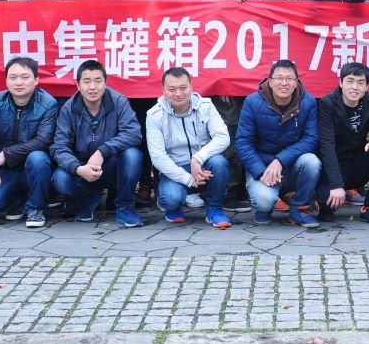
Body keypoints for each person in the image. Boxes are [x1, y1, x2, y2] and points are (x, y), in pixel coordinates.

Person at [50, 60, 145, 227]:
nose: (92, 87)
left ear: (106, 83)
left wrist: (103, 151)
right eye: (87, 81)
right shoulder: (68, 109)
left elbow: (133, 133)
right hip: (82, 167)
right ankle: (88, 199)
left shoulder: (118, 101)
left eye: (98, 81)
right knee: (60, 178)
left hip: (111, 165)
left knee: (132, 155)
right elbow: (59, 147)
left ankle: (125, 207)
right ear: (78, 85)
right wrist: (78, 168)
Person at [0, 57, 58, 228]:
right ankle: (18, 203)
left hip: (33, 170)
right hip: (5, 171)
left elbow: (44, 140)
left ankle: (35, 208)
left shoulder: (48, 104)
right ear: (6, 81)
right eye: (13, 77)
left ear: (36, 80)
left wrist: (6, 154)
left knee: (38, 157)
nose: (18, 82)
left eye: (25, 77)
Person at [235, 59, 322, 227]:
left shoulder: (308, 102)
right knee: (264, 202)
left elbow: (311, 138)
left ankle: (298, 209)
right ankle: (264, 209)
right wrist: (260, 171)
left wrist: (280, 160)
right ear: (270, 81)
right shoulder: (252, 102)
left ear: (296, 82)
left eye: (289, 79)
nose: (284, 83)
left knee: (312, 162)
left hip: (292, 164)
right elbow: (243, 142)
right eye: (279, 78)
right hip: (262, 166)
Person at [146, 67, 232, 229]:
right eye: (172, 89)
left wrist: (197, 159)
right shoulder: (154, 115)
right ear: (163, 90)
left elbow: (223, 137)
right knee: (171, 198)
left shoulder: (206, 106)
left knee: (219, 162)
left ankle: (215, 210)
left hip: (203, 166)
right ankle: (173, 208)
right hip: (175, 169)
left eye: (183, 88)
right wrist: (188, 179)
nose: (178, 93)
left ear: (191, 86)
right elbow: (157, 156)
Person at [316, 63, 369, 226]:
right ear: (341, 82)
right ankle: (327, 203)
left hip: (359, 161)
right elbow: (327, 145)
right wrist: (336, 184)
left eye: (360, 82)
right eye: (350, 81)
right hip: (335, 163)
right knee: (325, 203)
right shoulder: (327, 103)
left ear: (367, 86)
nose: (355, 87)